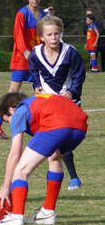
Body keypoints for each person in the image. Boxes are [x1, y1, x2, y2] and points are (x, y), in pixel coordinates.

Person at [0, 93, 88, 225]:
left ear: (11, 109)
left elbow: (15, 153)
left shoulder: (19, 110)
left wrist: (6, 188)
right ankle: (47, 213)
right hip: (80, 126)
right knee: (54, 157)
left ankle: (16, 216)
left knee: (21, 170)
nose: (11, 125)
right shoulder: (39, 101)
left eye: (7, 120)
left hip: (57, 125)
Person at [28, 15, 86, 190]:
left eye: (57, 34)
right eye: (50, 34)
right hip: (48, 102)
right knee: (54, 145)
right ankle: (69, 179)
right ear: (41, 37)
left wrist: (72, 91)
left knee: (61, 143)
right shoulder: (36, 53)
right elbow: (33, 71)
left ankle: (73, 178)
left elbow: (79, 76)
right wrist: (36, 86)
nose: (54, 38)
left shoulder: (70, 52)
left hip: (69, 103)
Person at [0, 0, 46, 140]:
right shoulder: (21, 14)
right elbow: (18, 36)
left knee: (40, 91)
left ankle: (43, 126)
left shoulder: (43, 15)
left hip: (37, 60)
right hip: (22, 59)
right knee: (12, 95)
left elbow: (46, 35)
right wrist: (26, 53)